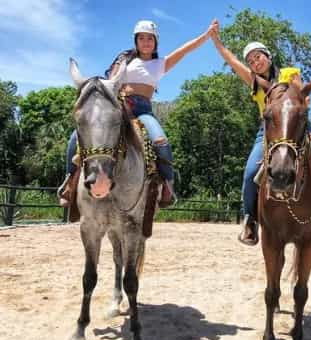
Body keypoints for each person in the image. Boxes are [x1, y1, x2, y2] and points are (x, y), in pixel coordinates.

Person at [210, 20, 311, 246]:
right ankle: (250, 220)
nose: (255, 62)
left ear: (268, 56)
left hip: (299, 128)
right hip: (268, 132)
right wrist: (217, 42)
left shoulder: (289, 72)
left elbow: (302, 94)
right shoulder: (255, 83)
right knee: (248, 174)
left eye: (258, 56)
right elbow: (232, 61)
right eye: (251, 60)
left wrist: (305, 99)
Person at [58, 19, 216, 208]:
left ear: (156, 41)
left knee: (160, 140)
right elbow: (110, 82)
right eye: (141, 38)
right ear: (136, 41)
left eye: (150, 38)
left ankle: (167, 185)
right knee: (76, 136)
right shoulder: (124, 60)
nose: (146, 42)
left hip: (142, 110)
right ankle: (70, 181)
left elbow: (185, 49)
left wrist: (206, 36)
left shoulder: (160, 64)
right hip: (119, 106)